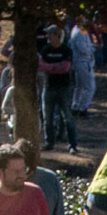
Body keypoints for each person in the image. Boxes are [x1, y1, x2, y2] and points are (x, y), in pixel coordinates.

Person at [38, 24, 77, 154]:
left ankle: (72, 144)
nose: (47, 36)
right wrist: (56, 67)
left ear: (57, 35)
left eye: (50, 33)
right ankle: (49, 142)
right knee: (47, 118)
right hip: (48, 87)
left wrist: (49, 66)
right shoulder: (45, 50)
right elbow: (40, 66)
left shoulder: (66, 50)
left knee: (67, 117)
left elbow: (65, 68)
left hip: (64, 88)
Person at [68, 20, 97, 115]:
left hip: (81, 62)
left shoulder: (78, 30)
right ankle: (83, 108)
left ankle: (75, 107)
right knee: (89, 86)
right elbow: (83, 49)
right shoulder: (79, 32)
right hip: (82, 62)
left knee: (79, 86)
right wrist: (93, 48)